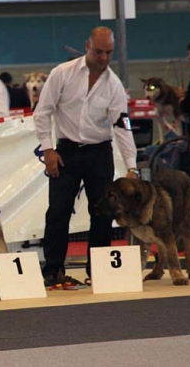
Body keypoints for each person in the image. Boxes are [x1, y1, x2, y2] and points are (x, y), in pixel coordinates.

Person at [34, 26, 138, 286]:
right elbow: (42, 112)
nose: (104, 57)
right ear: (87, 46)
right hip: (65, 151)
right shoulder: (62, 73)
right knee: (58, 211)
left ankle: (100, 270)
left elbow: (122, 126)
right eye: (99, 51)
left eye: (109, 53)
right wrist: (48, 149)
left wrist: (132, 167)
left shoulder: (114, 85)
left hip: (99, 152)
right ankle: (53, 270)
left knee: (103, 212)